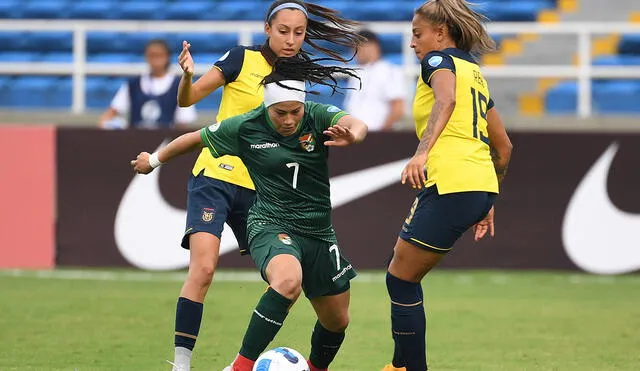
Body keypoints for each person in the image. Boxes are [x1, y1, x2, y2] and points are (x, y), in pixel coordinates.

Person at [131, 56, 368, 371]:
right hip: (271, 223)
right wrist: (154, 160)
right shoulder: (246, 126)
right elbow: (193, 139)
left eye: (294, 112)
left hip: (319, 232)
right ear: (267, 108)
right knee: (287, 281)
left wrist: (354, 135)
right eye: (280, 113)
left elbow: (356, 123)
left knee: (337, 320)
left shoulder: (315, 115)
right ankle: (240, 366)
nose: (288, 119)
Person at [381, 1, 513, 370]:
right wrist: (488, 196)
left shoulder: (437, 63)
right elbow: (503, 147)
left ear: (440, 34)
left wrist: (421, 153)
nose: (412, 43)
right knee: (399, 268)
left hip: (450, 181)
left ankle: (409, 368)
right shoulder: (475, 73)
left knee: (401, 281)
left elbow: (446, 99)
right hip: (475, 184)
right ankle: (398, 364)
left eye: (417, 34)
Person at [99, 39, 197, 129]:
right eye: (152, 55)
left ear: (167, 57)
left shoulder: (178, 85)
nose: (156, 60)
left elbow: (183, 122)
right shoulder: (133, 83)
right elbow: (110, 114)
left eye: (159, 55)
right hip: (135, 141)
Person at [344, 29, 406, 132]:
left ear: (372, 46)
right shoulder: (357, 73)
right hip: (355, 134)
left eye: (357, 48)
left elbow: (397, 108)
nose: (354, 53)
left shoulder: (389, 71)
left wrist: (382, 134)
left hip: (377, 135)